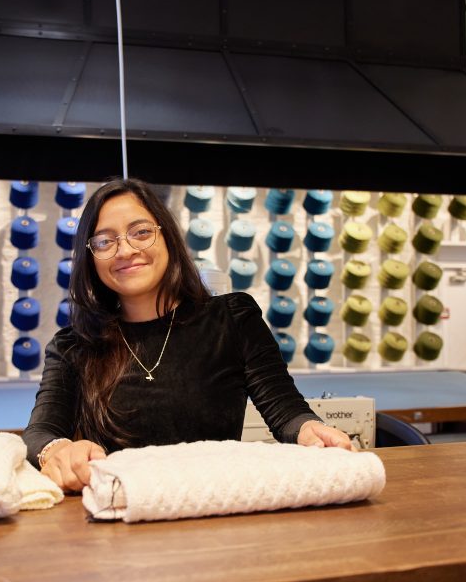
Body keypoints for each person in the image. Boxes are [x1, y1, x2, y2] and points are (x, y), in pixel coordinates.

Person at [24, 178, 351, 492]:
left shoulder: (232, 319)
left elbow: (286, 411)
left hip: (213, 507)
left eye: (141, 233)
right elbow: (40, 432)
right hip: (120, 513)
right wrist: (57, 449)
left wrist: (311, 430)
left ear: (168, 237)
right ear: (91, 256)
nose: (125, 250)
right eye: (105, 241)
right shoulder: (74, 346)